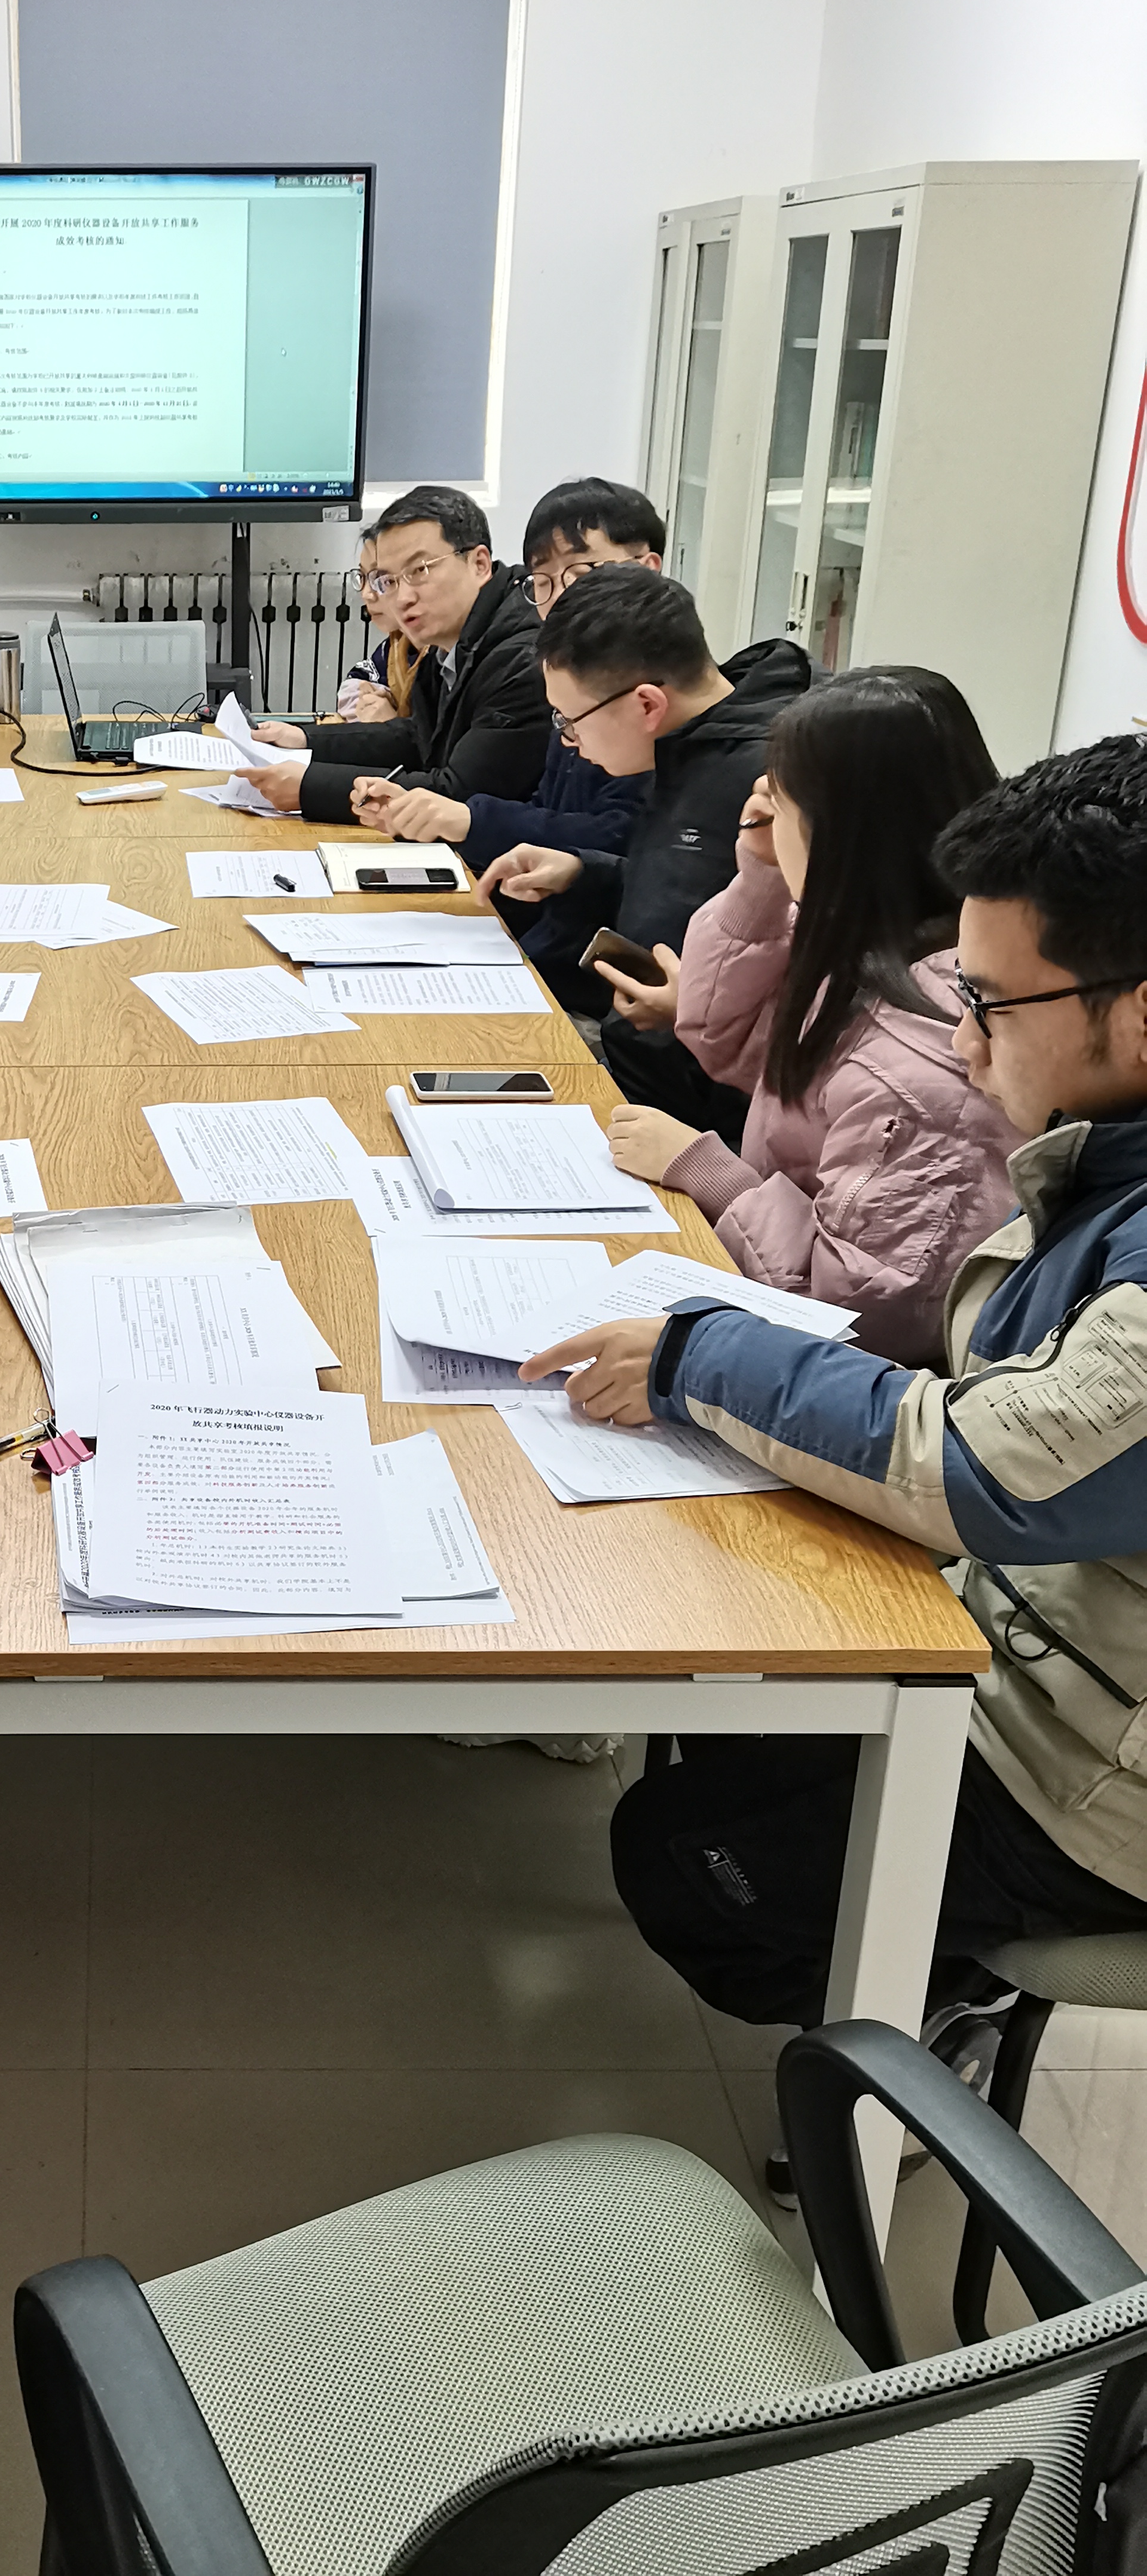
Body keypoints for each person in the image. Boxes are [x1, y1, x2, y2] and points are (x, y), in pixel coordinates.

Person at [511, 735, 1147, 2033]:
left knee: (684, 1863)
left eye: (989, 1004)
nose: (964, 1040)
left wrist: (694, 1353)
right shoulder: (1105, 1155)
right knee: (722, 1678)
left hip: (1092, 1777)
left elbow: (989, 1467)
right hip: (1031, 1635)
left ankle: (924, 2021)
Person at [604, 667, 1017, 1365]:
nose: (764, 812)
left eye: (783, 801)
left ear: (846, 830)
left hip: (838, 1366)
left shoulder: (923, 1063)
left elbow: (861, 1315)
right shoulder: (863, 933)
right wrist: (763, 872)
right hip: (780, 1279)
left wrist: (710, 1174)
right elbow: (719, 1034)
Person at [476, 564, 812, 1134]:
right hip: (640, 1074)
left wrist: (695, 1012)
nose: (567, 740)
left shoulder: (775, 784)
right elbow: (688, 886)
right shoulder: (685, 742)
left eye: (570, 720)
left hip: (705, 1123)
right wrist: (583, 872)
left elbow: (811, 981)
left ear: (647, 704)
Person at [347, 476, 665, 861]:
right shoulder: (575, 676)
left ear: (647, 569)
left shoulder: (652, 687)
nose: (560, 600)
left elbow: (628, 835)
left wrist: (470, 820)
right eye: (544, 581)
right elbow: (547, 808)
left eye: (581, 573)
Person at [244, 485, 552, 822]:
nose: (402, 598)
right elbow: (417, 739)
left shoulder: (521, 657)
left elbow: (460, 797)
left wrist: (310, 787)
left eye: (419, 570)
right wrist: (303, 738)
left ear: (479, 564)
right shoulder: (451, 640)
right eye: (388, 581)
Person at [332, 526, 420, 722]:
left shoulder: (444, 652)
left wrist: (392, 724)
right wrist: (371, 701)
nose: (367, 594)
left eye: (382, 579)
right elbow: (358, 682)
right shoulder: (397, 644)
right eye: (363, 577)